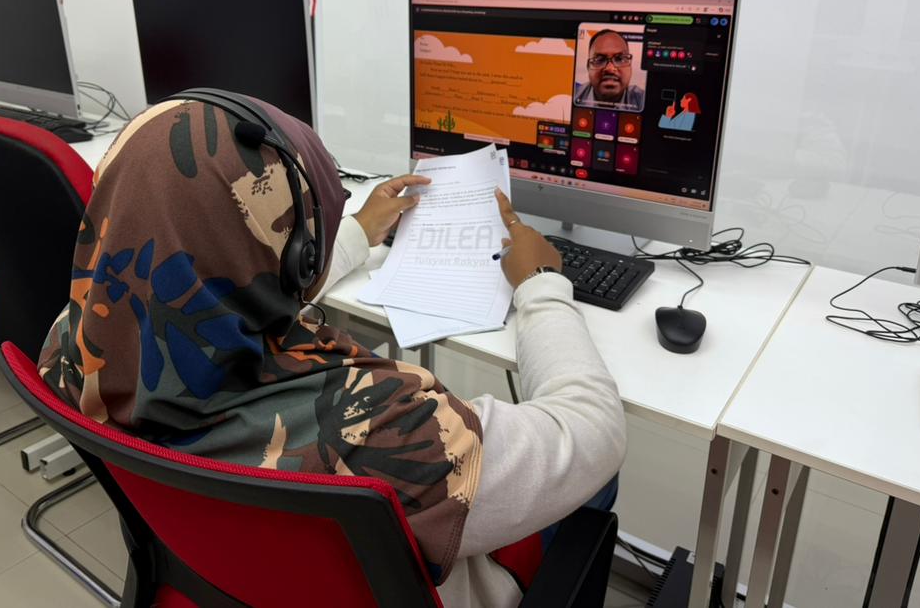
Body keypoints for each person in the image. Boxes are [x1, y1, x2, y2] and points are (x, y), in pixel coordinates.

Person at [37, 97, 626, 608]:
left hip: (227, 577)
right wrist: (541, 285)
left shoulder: (75, 341)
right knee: (593, 481)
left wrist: (358, 232)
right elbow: (594, 427)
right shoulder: (388, 426)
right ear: (296, 257)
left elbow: (221, 282)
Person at [574, 29, 644, 109]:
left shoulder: (643, 100)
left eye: (620, 59)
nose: (610, 69)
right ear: (588, 67)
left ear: (630, 66)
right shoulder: (572, 95)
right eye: (599, 60)